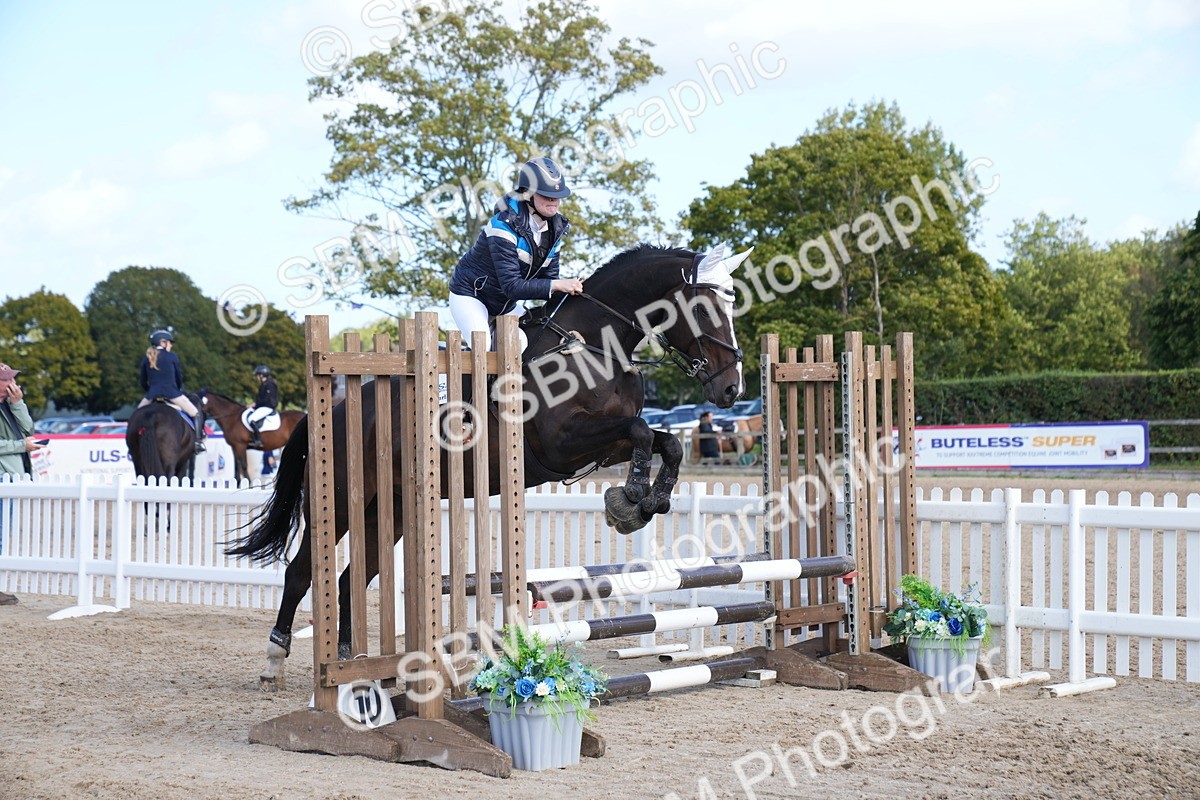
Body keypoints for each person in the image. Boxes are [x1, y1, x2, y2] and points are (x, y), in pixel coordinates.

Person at [448, 157, 585, 351]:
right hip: (472, 296)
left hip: (505, 305)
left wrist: (573, 288)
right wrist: (558, 284)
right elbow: (513, 286)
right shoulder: (503, 225)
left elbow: (550, 280)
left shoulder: (556, 231)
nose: (554, 201)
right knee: (483, 346)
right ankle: (448, 374)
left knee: (521, 343)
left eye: (557, 196)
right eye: (546, 195)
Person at [0, 362, 44, 604]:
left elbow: (28, 430)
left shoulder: (8, 405)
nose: (13, 384)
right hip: (2, 476)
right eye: (8, 380)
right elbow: (21, 441)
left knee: (1, 535)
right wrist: (20, 446)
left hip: (9, 477)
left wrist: (18, 405)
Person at [138, 329, 205, 453]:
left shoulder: (146, 358)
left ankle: (133, 446)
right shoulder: (172, 356)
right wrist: (177, 389)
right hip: (172, 394)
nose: (171, 345)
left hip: (152, 395)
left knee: (136, 416)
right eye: (170, 343)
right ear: (163, 343)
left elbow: (142, 380)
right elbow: (179, 377)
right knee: (195, 413)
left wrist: (150, 391)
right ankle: (197, 442)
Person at [247, 365, 278, 447]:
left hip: (268, 407)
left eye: (257, 375)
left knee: (251, 419)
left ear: (262, 375)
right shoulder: (264, 384)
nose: (256, 377)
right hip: (264, 406)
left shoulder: (269, 384)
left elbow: (266, 399)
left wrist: (255, 404)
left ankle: (258, 440)